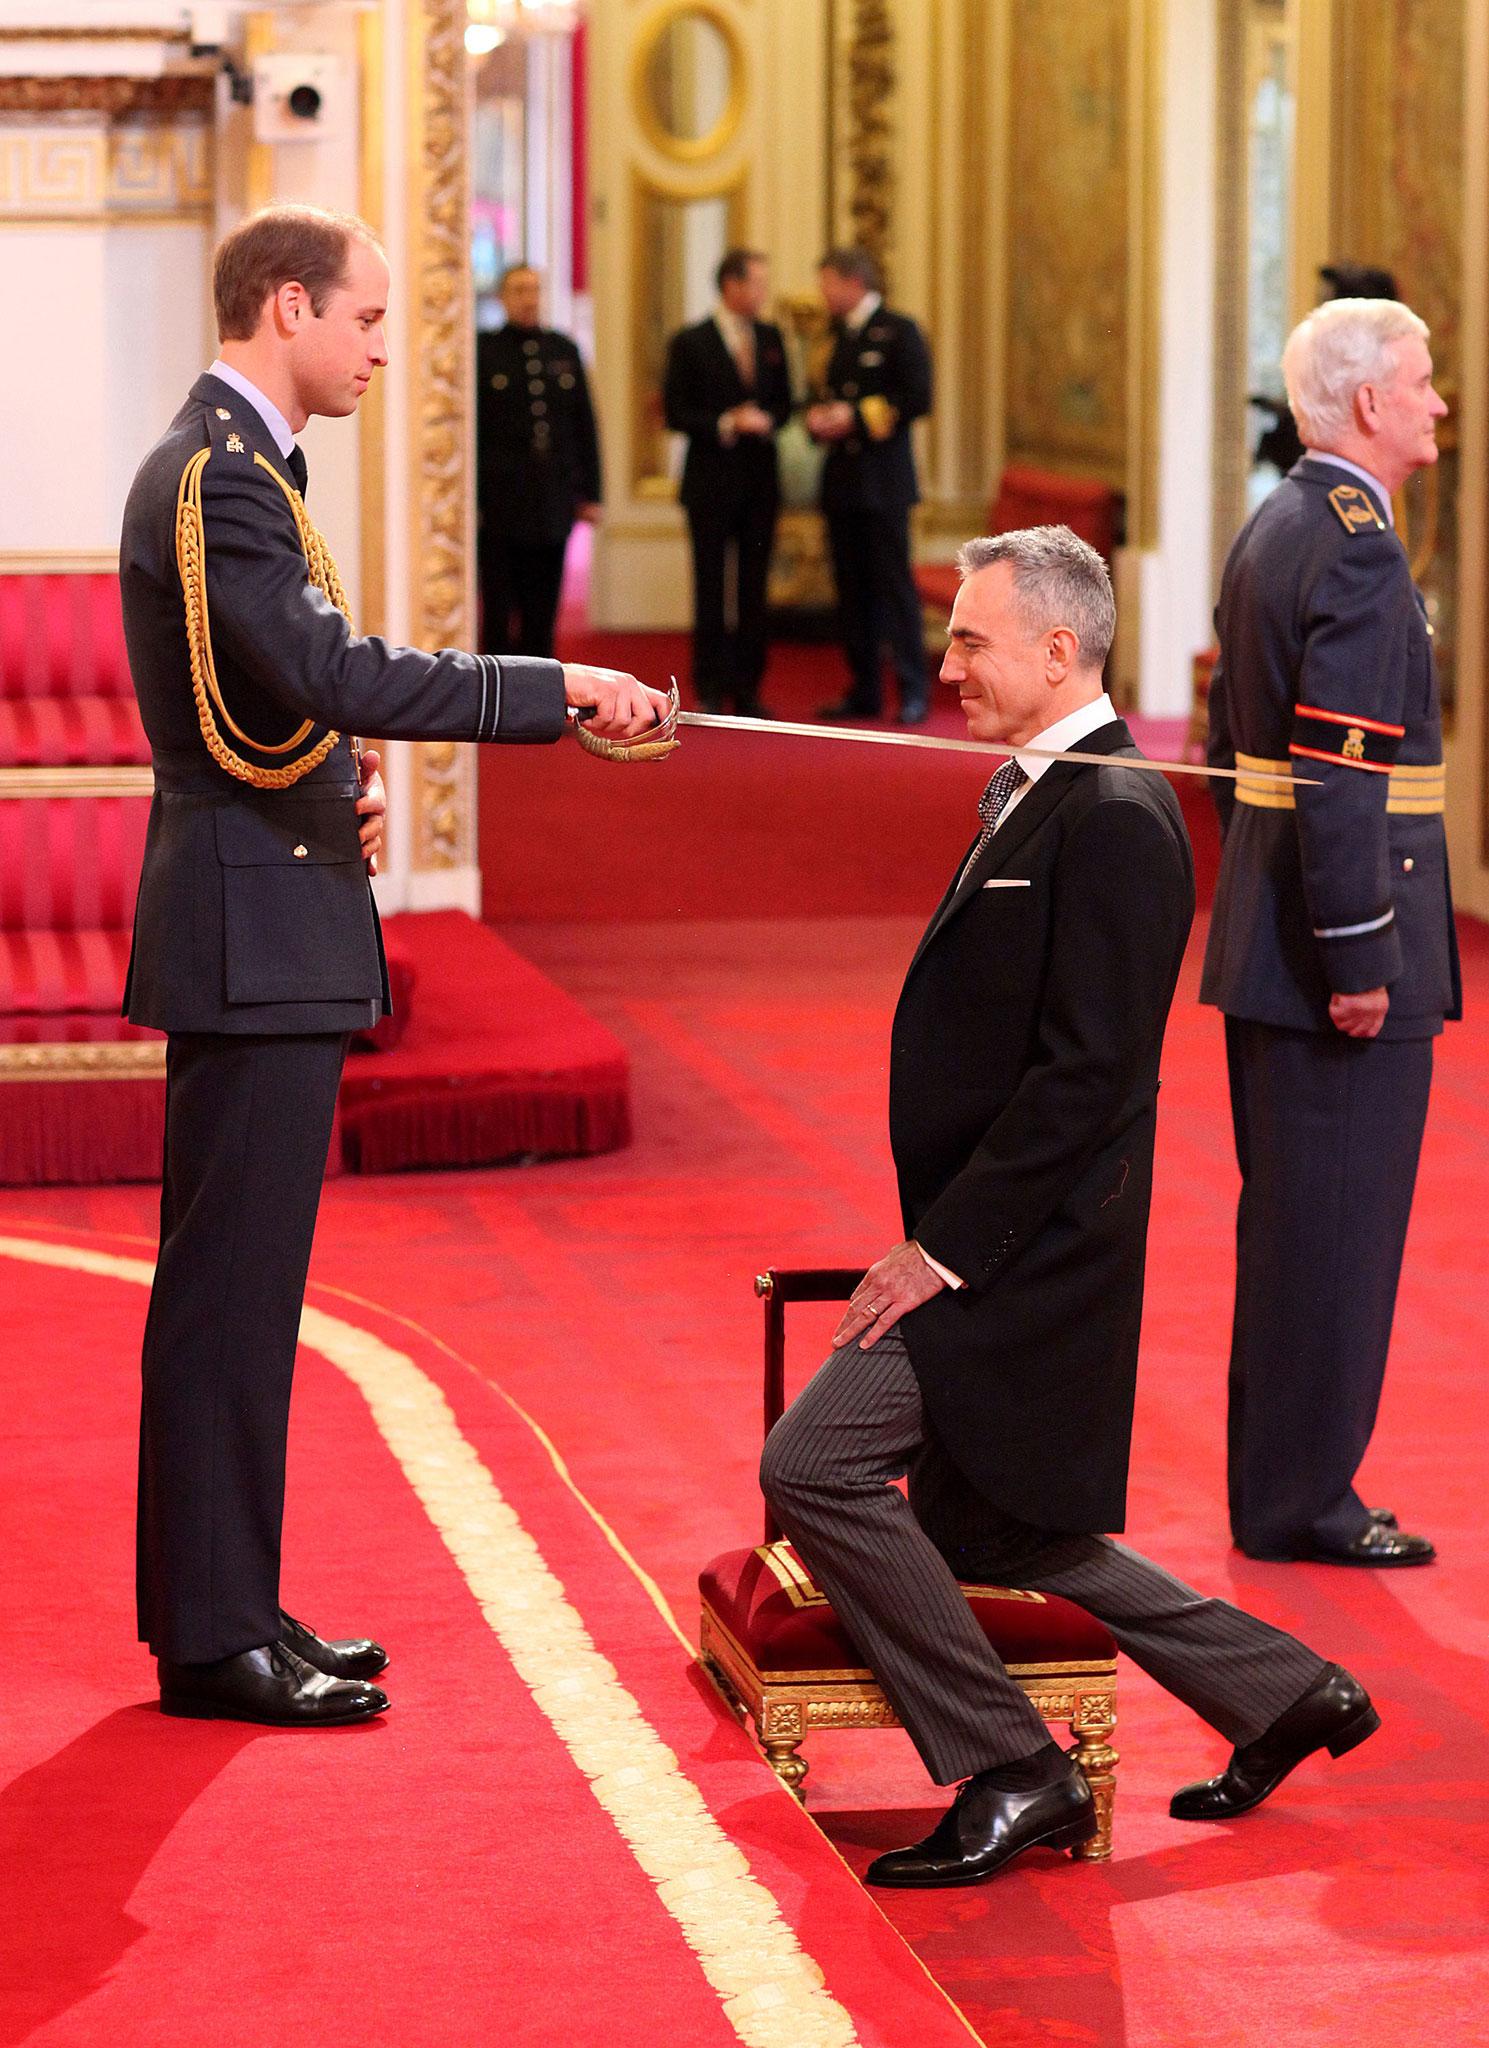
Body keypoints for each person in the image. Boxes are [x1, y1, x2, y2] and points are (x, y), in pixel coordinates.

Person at [761, 527, 1377, 1889]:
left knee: (810, 1465)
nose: (948, 662)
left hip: (1025, 1261)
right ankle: (1285, 1692)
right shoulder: (1046, 788)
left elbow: (1088, 1082)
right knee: (1003, 1534)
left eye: (972, 640)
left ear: (1058, 649)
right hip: (998, 1239)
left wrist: (939, 1255)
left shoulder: (1113, 816)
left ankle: (1010, 1765)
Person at [120, 204, 666, 1728]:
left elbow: (279, 699)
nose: (378, 348)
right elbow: (331, 672)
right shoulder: (218, 476)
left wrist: (328, 780)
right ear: (286, 306)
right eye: (363, 321)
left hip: (268, 907)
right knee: (228, 1296)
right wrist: (553, 686)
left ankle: (230, 1605)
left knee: (244, 1292)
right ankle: (212, 1635)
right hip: (251, 931)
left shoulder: (245, 471)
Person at [1203, 297, 1458, 1566]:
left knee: (1299, 1224)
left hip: (1273, 926)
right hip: (1335, 951)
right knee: (1334, 1234)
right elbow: (1342, 774)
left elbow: (1222, 740)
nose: (1437, 403)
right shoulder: (1355, 545)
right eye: (1421, 383)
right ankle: (1304, 1500)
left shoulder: (1283, 519)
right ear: (1368, 404)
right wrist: (1361, 954)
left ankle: (1283, 1487)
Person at [663, 248, 793, 716]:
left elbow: (785, 403)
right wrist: (726, 421)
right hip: (710, 482)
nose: (763, 293)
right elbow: (676, 412)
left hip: (760, 482)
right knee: (711, 586)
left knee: (754, 588)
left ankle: (749, 686)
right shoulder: (690, 341)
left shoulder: (772, 336)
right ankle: (710, 685)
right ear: (731, 286)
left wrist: (766, 419)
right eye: (756, 283)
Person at [807, 247, 934, 725]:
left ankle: (912, 689)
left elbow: (917, 398)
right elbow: (820, 391)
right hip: (842, 482)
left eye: (827, 284)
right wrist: (819, 419)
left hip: (883, 482)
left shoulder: (898, 330)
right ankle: (863, 688)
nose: (823, 294)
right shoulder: (835, 336)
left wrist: (856, 417)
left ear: (852, 282)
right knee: (851, 590)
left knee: (893, 587)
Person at [476, 263, 602, 658]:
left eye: (534, 289)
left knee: (543, 608)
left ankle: (538, 696)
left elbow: (585, 424)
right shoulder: (484, 351)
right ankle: (495, 699)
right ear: (503, 297)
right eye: (518, 290)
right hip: (500, 500)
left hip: (552, 498)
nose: (528, 298)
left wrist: (591, 492)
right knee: (498, 608)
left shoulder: (563, 349)